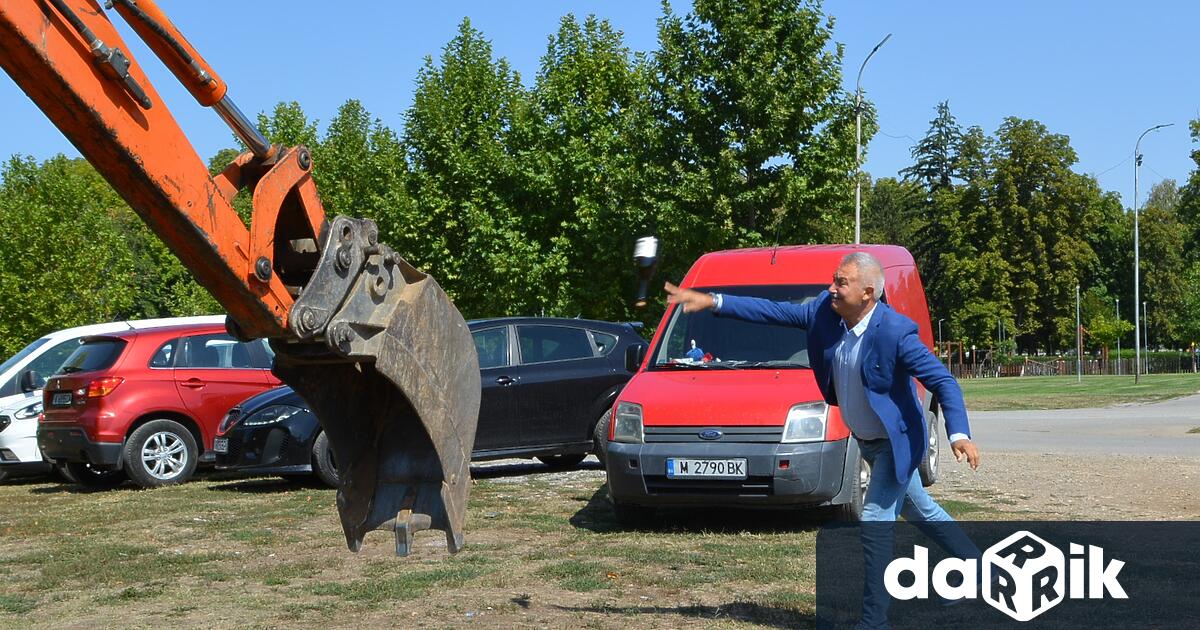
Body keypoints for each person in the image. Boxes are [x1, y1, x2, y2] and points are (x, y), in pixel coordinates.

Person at [665, 251, 981, 629]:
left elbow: (943, 381)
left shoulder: (895, 332)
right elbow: (771, 311)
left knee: (874, 522)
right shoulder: (823, 313)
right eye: (833, 279)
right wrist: (713, 301)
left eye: (841, 282)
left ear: (867, 293)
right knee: (920, 510)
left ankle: (873, 621)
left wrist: (958, 434)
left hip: (896, 444)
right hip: (867, 440)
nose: (831, 288)